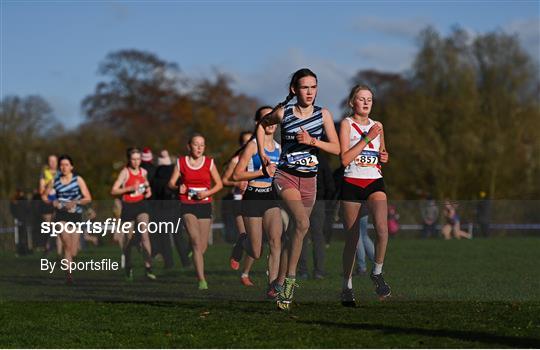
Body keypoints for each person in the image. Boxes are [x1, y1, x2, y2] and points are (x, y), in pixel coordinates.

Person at [257, 68, 340, 310]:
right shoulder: (284, 113)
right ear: (295, 89)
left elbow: (336, 149)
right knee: (303, 224)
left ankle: (280, 280)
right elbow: (262, 126)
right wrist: (263, 154)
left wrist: (313, 141)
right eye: (305, 87)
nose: (310, 92)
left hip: (310, 181)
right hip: (286, 177)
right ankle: (291, 282)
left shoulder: (323, 114)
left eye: (314, 87)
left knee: (296, 232)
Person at [339, 84, 391, 307]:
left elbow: (381, 154)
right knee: (352, 239)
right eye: (361, 99)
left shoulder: (378, 125)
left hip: (374, 182)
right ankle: (347, 285)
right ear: (352, 102)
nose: (366, 102)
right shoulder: (346, 124)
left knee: (382, 228)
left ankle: (377, 272)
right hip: (351, 182)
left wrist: (384, 157)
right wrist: (367, 139)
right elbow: (344, 159)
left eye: (369, 98)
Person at [230, 106, 283, 298]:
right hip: (253, 195)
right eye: (266, 119)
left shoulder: (279, 148)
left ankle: (273, 286)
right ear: (259, 123)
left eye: (273, 119)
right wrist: (262, 172)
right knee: (256, 251)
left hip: (270, 196)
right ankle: (242, 241)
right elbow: (237, 174)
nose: (270, 123)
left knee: (276, 241)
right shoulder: (252, 145)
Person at [168, 134, 223, 290]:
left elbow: (219, 184)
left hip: (204, 204)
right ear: (189, 146)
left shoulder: (209, 162)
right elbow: (171, 183)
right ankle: (201, 280)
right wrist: (178, 187)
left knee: (202, 245)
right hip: (187, 204)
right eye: (196, 144)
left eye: (202, 145)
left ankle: (192, 251)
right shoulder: (181, 162)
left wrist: (207, 193)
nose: (199, 148)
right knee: (195, 239)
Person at [42, 155, 92, 284]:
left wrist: (75, 202)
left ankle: (69, 265)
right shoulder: (55, 180)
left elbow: (88, 198)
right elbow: (45, 196)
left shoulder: (78, 180)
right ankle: (69, 276)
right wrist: (54, 202)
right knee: (67, 244)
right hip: (61, 216)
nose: (64, 167)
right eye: (62, 165)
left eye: (66, 165)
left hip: (75, 215)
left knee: (73, 250)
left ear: (72, 167)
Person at [111, 148, 156, 281]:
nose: (136, 162)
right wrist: (128, 189)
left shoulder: (144, 171)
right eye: (133, 159)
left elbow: (147, 186)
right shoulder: (125, 172)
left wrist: (148, 191)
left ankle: (148, 268)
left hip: (141, 206)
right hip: (128, 208)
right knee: (128, 241)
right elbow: (113, 190)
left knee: (144, 234)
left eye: (138, 159)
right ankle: (128, 267)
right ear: (129, 160)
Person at [223, 131, 256, 286]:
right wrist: (236, 183)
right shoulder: (236, 160)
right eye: (245, 141)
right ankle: (238, 249)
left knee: (255, 240)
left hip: (255, 200)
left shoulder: (258, 159)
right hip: (239, 201)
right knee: (245, 235)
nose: (248, 143)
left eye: (251, 140)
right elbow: (225, 180)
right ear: (241, 144)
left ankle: (245, 273)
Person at [298, 154, 334, 280]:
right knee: (318, 236)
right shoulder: (321, 159)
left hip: (303, 199)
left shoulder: (297, 156)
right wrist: (327, 202)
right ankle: (319, 271)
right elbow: (329, 183)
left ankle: (303, 271)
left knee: (301, 235)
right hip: (318, 201)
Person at [38, 154, 61, 257]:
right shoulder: (44, 173)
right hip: (47, 204)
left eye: (54, 161)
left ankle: (59, 254)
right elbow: (41, 191)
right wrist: (50, 184)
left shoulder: (62, 172)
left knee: (59, 229)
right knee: (51, 229)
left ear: (57, 162)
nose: (52, 163)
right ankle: (47, 247)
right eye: (50, 161)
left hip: (60, 204)